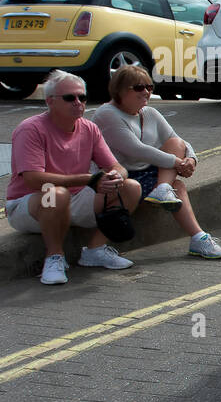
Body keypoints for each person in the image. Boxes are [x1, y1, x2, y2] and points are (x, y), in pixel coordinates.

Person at [5, 70, 141, 284]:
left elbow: (116, 166)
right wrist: (88, 179)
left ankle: (94, 251)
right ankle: (55, 257)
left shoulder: (89, 128)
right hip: (29, 205)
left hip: (75, 199)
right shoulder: (30, 129)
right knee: (55, 194)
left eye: (82, 97)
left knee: (131, 187)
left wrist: (115, 176)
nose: (78, 102)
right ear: (50, 101)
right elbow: (33, 179)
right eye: (70, 98)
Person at [92, 64, 221, 259]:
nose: (146, 92)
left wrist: (191, 159)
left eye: (149, 87)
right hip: (121, 177)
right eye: (139, 88)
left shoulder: (149, 113)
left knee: (175, 144)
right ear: (120, 90)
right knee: (178, 186)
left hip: (144, 172)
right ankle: (194, 233)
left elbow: (178, 140)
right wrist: (178, 163)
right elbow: (138, 151)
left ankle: (196, 235)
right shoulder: (107, 115)